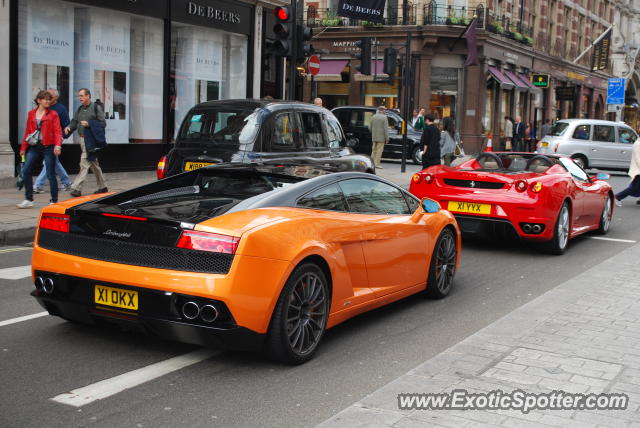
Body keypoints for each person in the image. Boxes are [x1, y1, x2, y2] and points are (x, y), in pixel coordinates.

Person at [17, 90, 63, 208]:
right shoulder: (31, 113)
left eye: (49, 99)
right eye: (45, 99)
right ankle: (29, 199)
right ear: (39, 100)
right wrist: (23, 147)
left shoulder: (53, 114)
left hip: (49, 146)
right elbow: (28, 132)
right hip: (34, 146)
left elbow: (58, 131)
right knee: (26, 170)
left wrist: (58, 145)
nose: (48, 101)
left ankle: (54, 200)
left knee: (50, 173)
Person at [65, 88, 107, 197]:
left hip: (91, 140)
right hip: (82, 139)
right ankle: (103, 187)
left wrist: (89, 124)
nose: (80, 98)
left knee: (84, 162)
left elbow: (103, 123)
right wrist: (69, 128)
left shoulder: (96, 108)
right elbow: (74, 122)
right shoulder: (79, 109)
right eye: (79, 96)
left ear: (88, 96)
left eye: (82, 96)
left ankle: (76, 188)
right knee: (94, 164)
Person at [33, 89, 72, 193]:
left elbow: (67, 125)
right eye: (46, 97)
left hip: (55, 139)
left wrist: (62, 137)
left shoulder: (61, 109)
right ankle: (67, 182)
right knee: (54, 162)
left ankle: (38, 185)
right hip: (44, 139)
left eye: (50, 96)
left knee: (49, 161)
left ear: (56, 98)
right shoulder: (44, 107)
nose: (47, 98)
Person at [615, 136, 640, 207]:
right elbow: (638, 159)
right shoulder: (637, 144)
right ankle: (617, 197)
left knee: (636, 187)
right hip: (638, 170)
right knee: (634, 188)